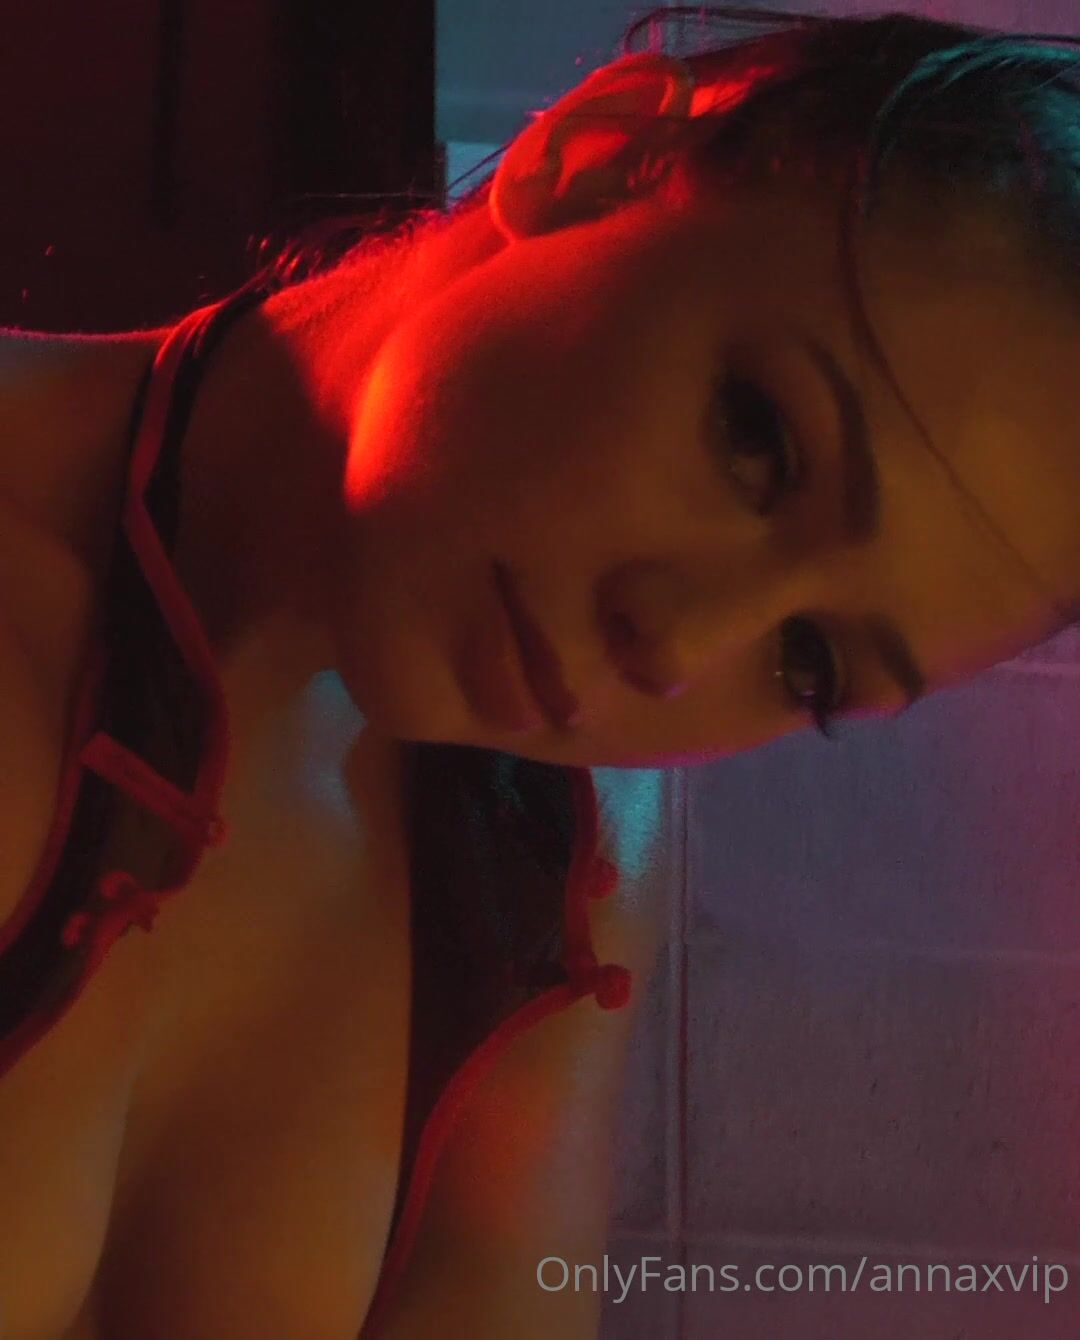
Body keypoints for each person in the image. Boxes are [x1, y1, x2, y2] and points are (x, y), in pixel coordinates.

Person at [0, 4, 1078, 1336]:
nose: (676, 647)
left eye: (807, 663)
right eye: (758, 438)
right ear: (596, 157)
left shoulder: (552, 846)